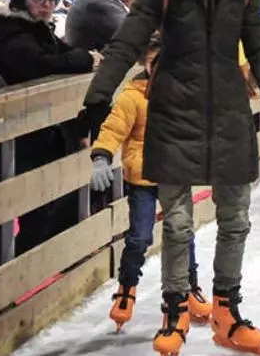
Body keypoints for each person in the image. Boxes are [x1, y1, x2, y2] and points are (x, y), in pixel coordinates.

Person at [80, 0, 260, 356]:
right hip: (173, 110)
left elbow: (258, 40)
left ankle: (226, 311)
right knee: (176, 224)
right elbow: (131, 38)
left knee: (235, 219)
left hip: (231, 113)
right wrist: (100, 97)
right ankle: (175, 309)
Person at [0, 0, 102, 264]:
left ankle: (16, 276)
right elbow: (39, 64)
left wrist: (86, 57)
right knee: (1, 214)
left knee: (39, 211)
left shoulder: (38, 31)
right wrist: (84, 60)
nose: (46, 4)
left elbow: (65, 54)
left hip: (33, 135)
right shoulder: (9, 31)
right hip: (5, 135)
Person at [89, 35, 211, 332]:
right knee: (139, 237)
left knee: (182, 233)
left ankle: (189, 287)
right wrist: (101, 156)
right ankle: (126, 289)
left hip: (174, 174)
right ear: (146, 62)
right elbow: (113, 128)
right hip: (143, 178)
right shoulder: (133, 96)